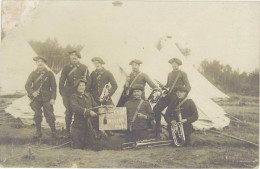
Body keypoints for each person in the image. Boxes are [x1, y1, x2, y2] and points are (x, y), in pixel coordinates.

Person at [153, 57, 191, 133]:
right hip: (168, 95)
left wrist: (182, 95)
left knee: (168, 113)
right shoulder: (169, 74)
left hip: (177, 97)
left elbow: (188, 87)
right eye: (172, 64)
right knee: (156, 108)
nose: (174, 66)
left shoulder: (183, 74)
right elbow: (168, 85)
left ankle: (171, 130)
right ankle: (158, 127)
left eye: (175, 64)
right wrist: (162, 86)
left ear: (178, 64)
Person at [59, 50, 91, 138]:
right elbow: (61, 81)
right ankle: (67, 131)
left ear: (78, 57)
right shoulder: (66, 68)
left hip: (79, 94)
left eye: (76, 55)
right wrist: (62, 93)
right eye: (72, 55)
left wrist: (84, 92)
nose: (74, 57)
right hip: (68, 94)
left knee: (81, 111)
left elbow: (89, 81)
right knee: (69, 112)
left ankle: (82, 131)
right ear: (70, 57)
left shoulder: (84, 67)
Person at [25, 56, 57, 138]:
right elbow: (27, 86)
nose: (40, 63)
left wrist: (53, 98)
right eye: (38, 62)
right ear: (36, 63)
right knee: (37, 115)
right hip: (36, 99)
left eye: (42, 62)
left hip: (47, 98)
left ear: (44, 63)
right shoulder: (33, 74)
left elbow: (54, 87)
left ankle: (54, 132)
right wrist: (32, 93)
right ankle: (38, 132)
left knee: (50, 114)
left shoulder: (49, 73)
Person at [89, 57, 118, 136]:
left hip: (105, 97)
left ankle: (108, 130)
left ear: (101, 64)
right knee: (95, 113)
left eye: (98, 63)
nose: (96, 65)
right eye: (95, 64)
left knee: (110, 110)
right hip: (95, 98)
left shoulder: (108, 73)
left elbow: (115, 85)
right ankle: (97, 131)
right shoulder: (92, 73)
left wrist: (108, 94)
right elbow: (89, 86)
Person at [69, 79, 99, 149]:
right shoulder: (73, 97)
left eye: (83, 85)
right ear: (76, 87)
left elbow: (95, 106)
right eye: (79, 85)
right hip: (78, 126)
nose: (81, 87)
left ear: (85, 87)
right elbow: (76, 108)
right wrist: (89, 112)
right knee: (77, 146)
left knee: (91, 145)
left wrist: (103, 108)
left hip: (89, 126)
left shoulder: (89, 95)